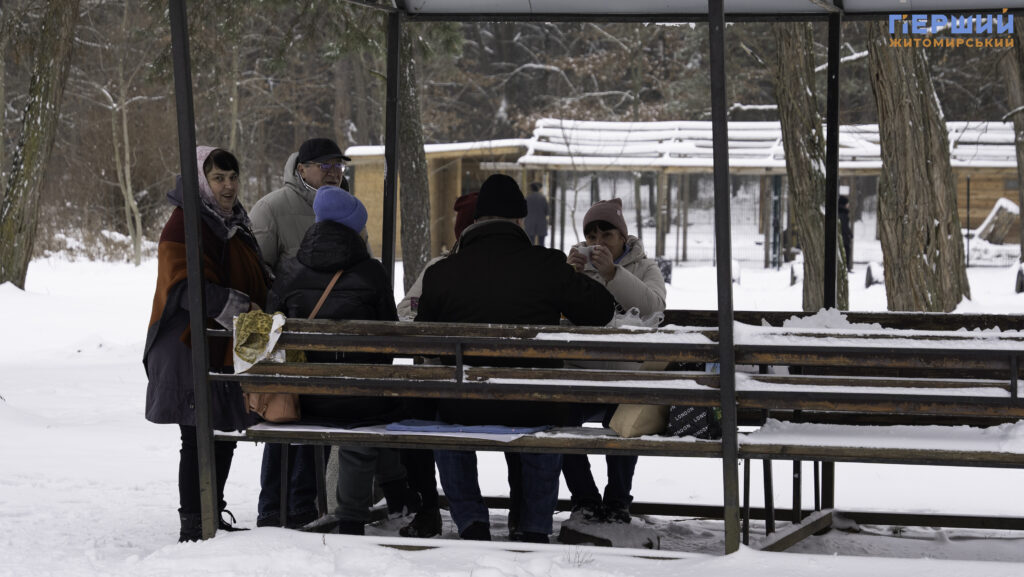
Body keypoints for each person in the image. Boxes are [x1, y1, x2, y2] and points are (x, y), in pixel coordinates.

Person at [415, 174, 615, 543]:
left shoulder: (442, 273)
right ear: (520, 220)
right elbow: (600, 312)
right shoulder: (547, 265)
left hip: (465, 404)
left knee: (444, 421)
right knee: (545, 414)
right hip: (534, 403)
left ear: (475, 222)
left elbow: (427, 340)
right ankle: (535, 526)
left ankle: (472, 522)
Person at [249, 138, 413, 530]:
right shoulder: (273, 209)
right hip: (351, 391)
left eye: (338, 165)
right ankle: (350, 507)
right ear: (301, 167)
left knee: (293, 411)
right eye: (324, 165)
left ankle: (291, 509)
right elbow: (387, 333)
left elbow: (269, 308)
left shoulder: (293, 269)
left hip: (303, 386)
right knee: (381, 408)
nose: (334, 171)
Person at [144, 146, 270, 542]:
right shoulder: (184, 224)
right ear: (202, 180)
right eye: (218, 178)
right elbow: (184, 288)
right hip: (188, 347)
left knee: (224, 431)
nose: (228, 186)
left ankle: (211, 512)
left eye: (233, 177)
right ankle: (195, 524)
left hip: (224, 344)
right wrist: (241, 308)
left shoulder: (232, 221)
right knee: (196, 436)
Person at [562, 197, 667, 525]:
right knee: (556, 418)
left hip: (624, 376)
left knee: (624, 422)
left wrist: (612, 273)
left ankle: (618, 500)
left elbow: (654, 309)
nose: (597, 242)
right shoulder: (575, 266)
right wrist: (564, 278)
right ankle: (585, 498)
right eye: (591, 235)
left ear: (623, 236)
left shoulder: (645, 267)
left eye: (606, 234)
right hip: (578, 375)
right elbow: (550, 316)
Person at [524, 182, 549, 246]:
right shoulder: (543, 198)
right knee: (541, 243)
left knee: (530, 243)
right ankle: (541, 255)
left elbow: (523, 211)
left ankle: (531, 255)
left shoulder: (527, 198)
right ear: (539, 189)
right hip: (541, 223)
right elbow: (547, 211)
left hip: (529, 224)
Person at [838, 195, 854, 273]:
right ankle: (846, 268)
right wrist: (850, 234)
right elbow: (844, 226)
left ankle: (845, 267)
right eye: (847, 203)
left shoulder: (840, 212)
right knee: (846, 252)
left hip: (842, 237)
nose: (848, 205)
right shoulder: (843, 213)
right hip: (844, 238)